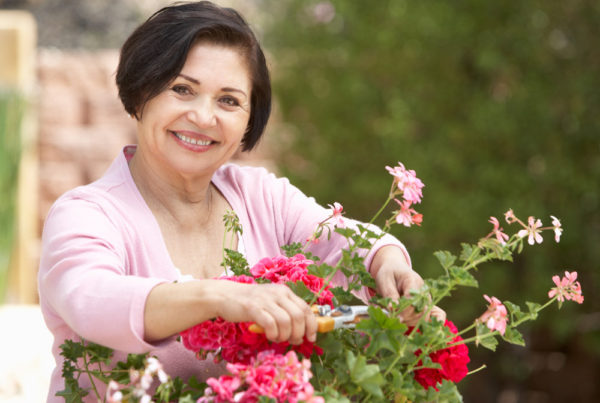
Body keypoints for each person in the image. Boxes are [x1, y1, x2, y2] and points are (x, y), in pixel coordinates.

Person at [38, 2, 440, 401]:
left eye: (228, 100)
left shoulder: (260, 195)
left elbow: (345, 239)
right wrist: (223, 296)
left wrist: (388, 264)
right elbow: (90, 300)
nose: (203, 116)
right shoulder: (86, 214)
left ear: (250, 118)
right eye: (182, 89)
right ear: (141, 91)